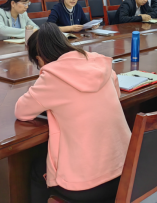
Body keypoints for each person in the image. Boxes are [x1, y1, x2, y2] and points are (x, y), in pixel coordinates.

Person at [15, 23, 131, 203]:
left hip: (86, 186)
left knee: (38, 170)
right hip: (127, 172)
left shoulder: (52, 77)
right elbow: (116, 94)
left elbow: (22, 111)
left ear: (40, 59)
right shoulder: (99, 62)